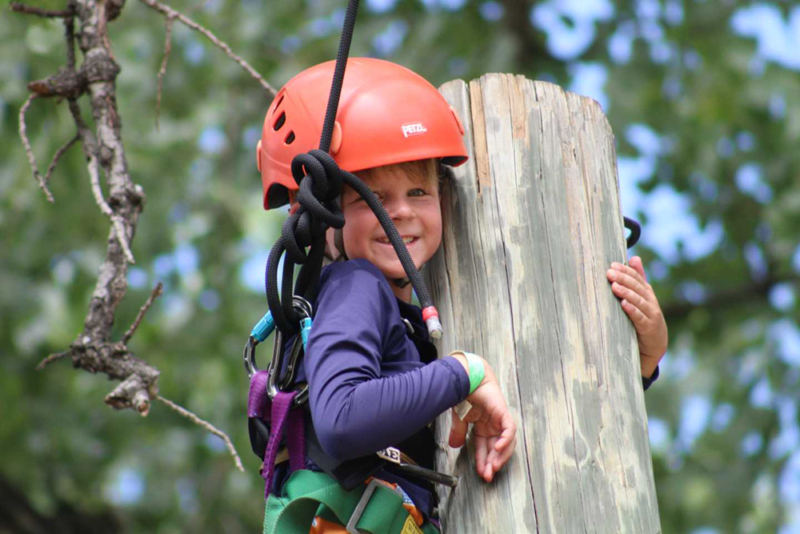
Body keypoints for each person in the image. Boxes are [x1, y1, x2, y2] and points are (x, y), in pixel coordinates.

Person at [253, 58, 668, 533]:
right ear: (323, 217)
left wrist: (644, 361)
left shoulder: (405, 318)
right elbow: (342, 418)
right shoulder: (356, 287)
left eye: (418, 191)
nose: (402, 212)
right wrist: (465, 372)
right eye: (373, 199)